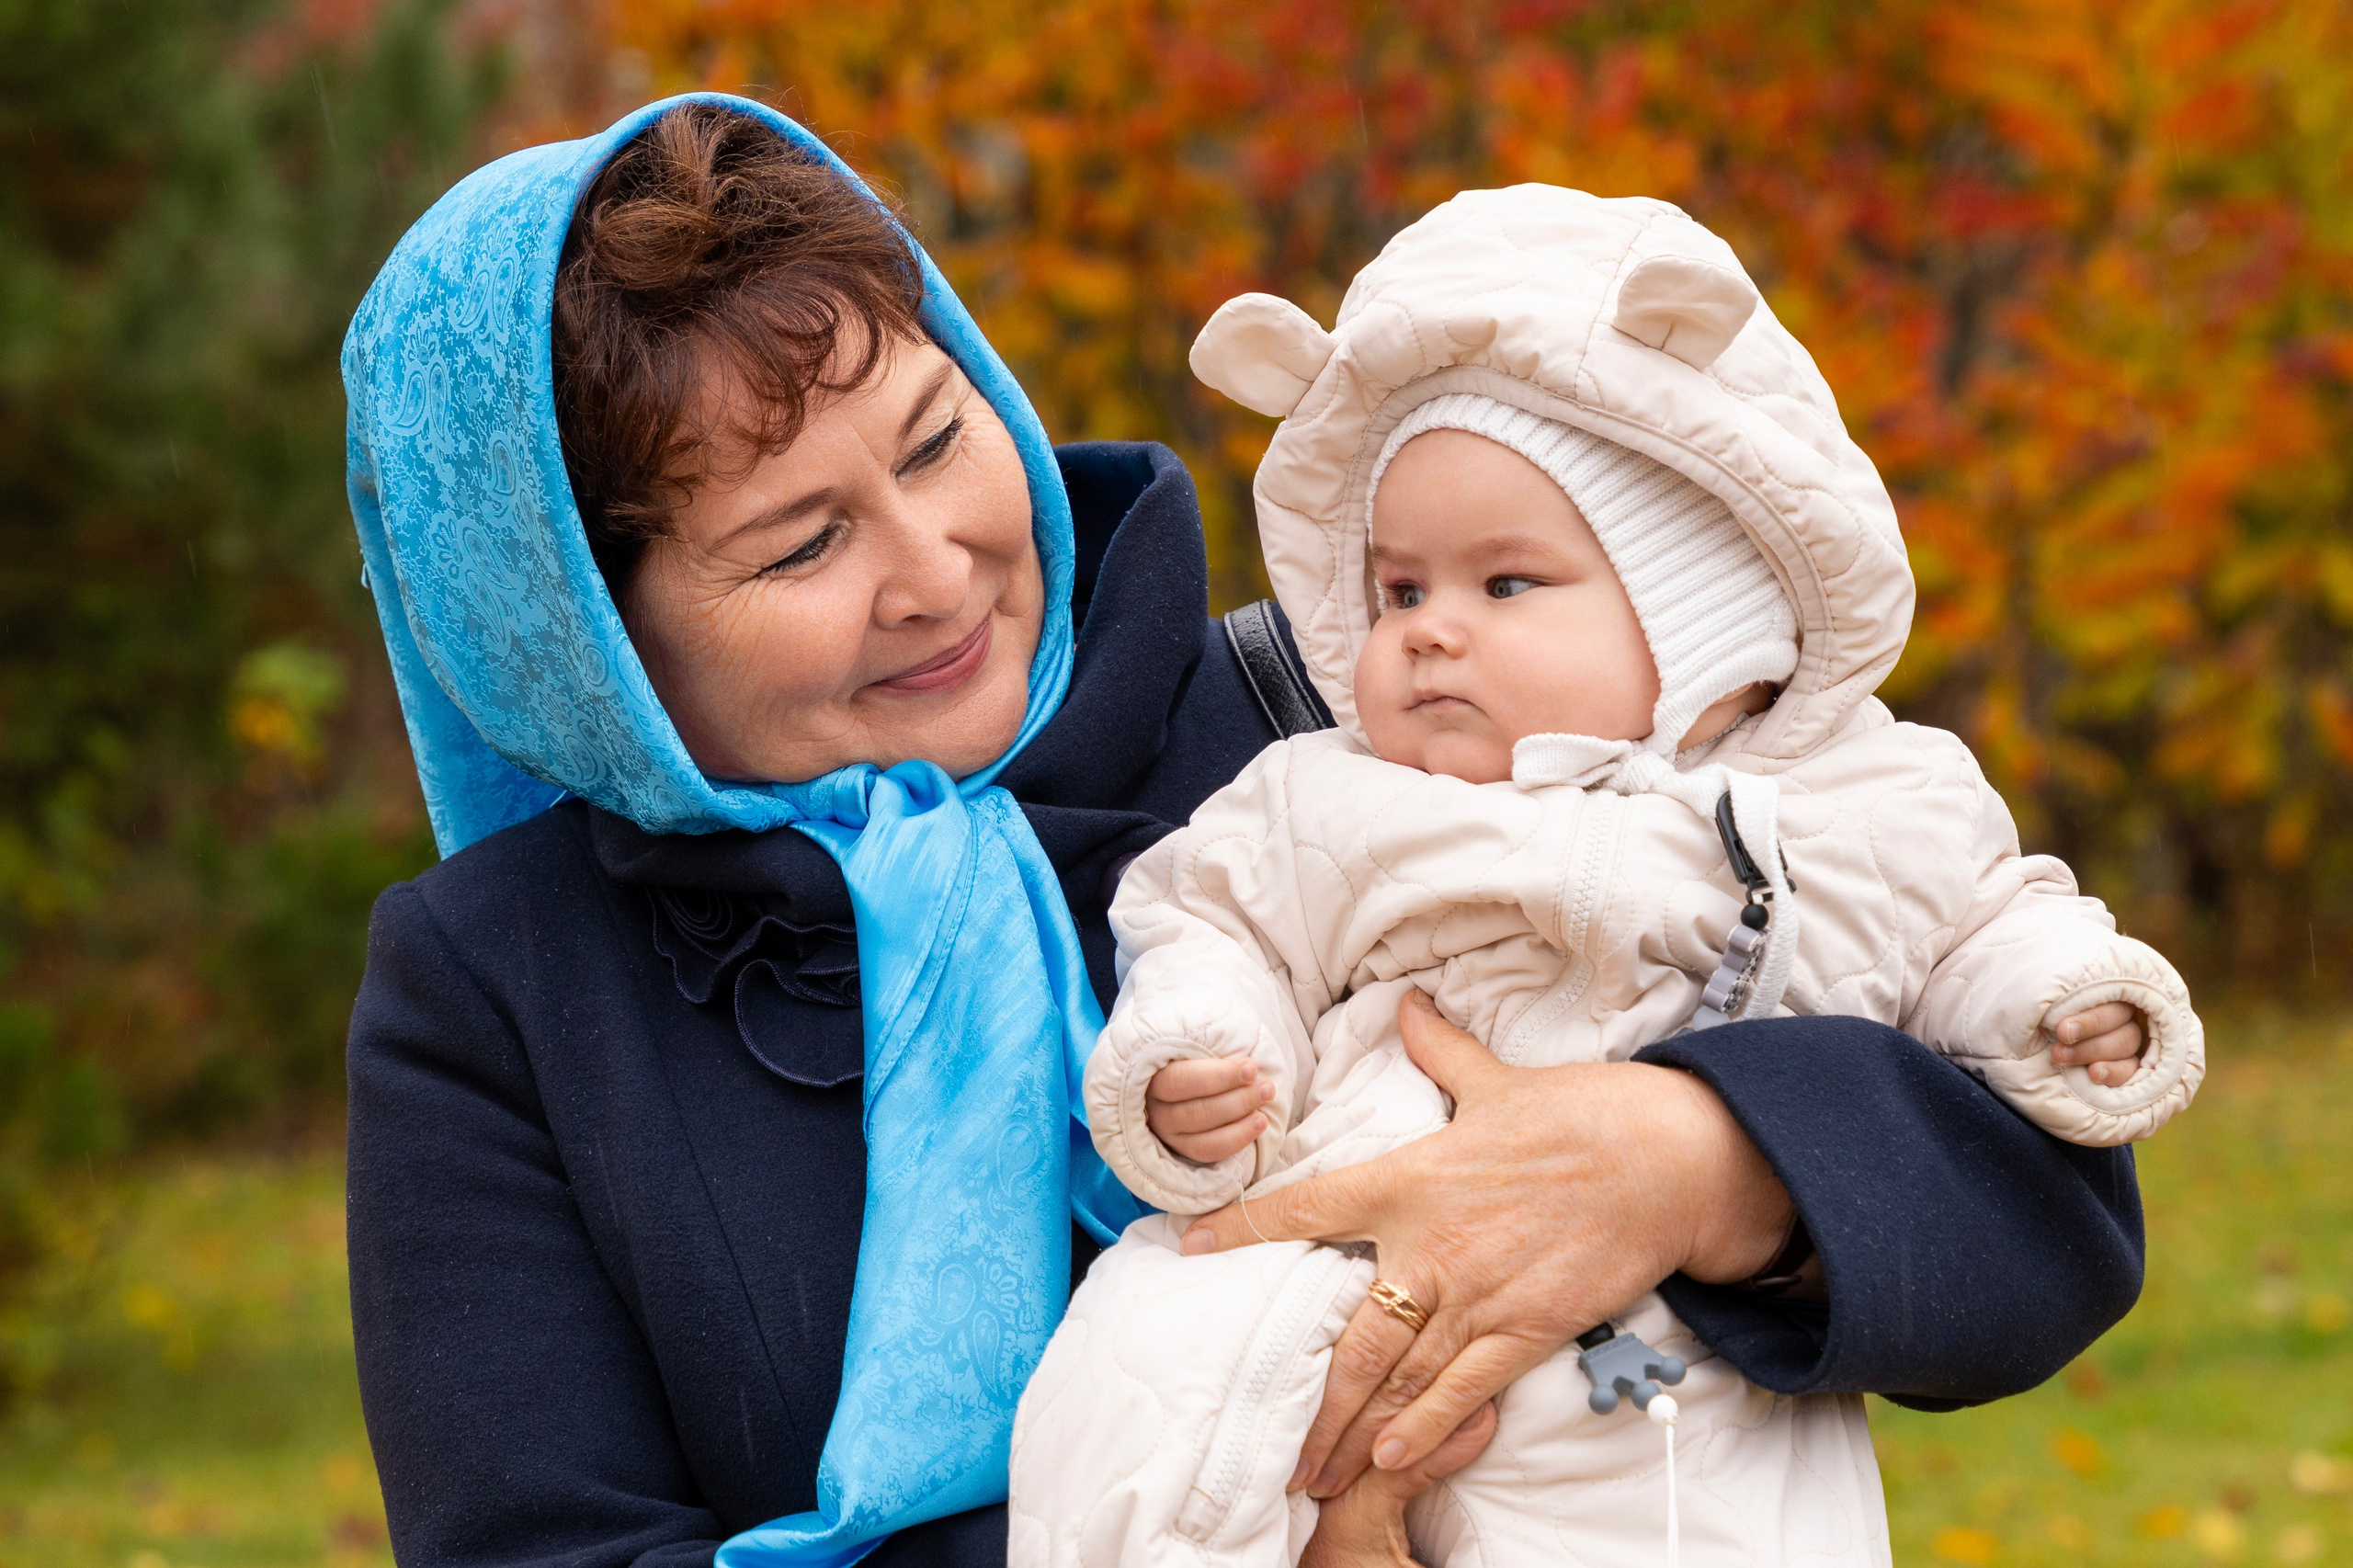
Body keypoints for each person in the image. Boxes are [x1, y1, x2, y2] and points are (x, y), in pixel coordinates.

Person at [340, 95, 2147, 1568]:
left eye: (934, 435)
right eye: (798, 546)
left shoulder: (1352, 709)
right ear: (582, 638)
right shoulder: (500, 990)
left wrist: (1690, 1158)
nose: (933, 564)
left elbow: (2046, 1207)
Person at [1007, 187, 2201, 1568]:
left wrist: (2066, 1002)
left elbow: (1982, 923)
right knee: (1137, 1391)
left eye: (1503, 585)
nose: (1430, 633)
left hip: (1675, 1395)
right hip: (1324, 1286)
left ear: (1707, 609)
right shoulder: (1331, 793)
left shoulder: (1872, 799)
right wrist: (1195, 1055)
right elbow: (1212, 922)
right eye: (1399, 592)